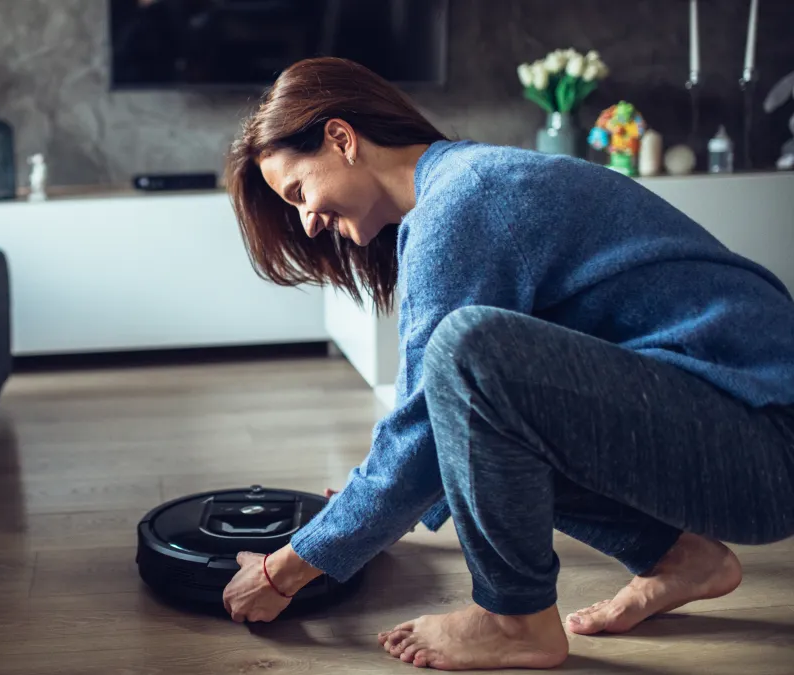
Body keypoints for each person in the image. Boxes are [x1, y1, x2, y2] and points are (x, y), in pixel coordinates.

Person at [219, 56, 794, 671]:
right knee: (470, 387)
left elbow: (426, 428)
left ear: (340, 139)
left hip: (764, 447)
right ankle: (678, 557)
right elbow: (456, 425)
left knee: (466, 349)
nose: (308, 225)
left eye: (300, 193)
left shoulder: (462, 202)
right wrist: (376, 508)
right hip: (735, 441)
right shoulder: (463, 186)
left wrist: (288, 569)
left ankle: (514, 620)